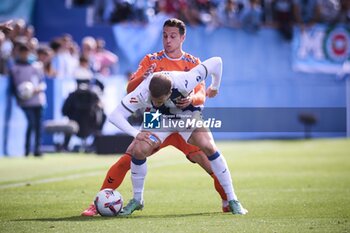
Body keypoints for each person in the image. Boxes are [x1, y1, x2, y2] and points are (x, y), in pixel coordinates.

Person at [81, 18, 228, 216]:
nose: (168, 40)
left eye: (173, 36)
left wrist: (192, 98)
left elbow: (202, 94)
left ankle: (227, 200)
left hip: (183, 119)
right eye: (165, 36)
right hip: (155, 118)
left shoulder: (193, 63)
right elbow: (130, 89)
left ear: (182, 37)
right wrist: (143, 77)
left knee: (209, 162)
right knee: (130, 156)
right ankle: (98, 203)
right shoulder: (151, 60)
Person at [109, 56, 248, 216]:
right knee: (138, 149)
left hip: (185, 115)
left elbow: (217, 62)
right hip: (157, 117)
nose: (157, 101)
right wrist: (136, 134)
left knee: (209, 146)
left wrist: (215, 86)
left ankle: (232, 199)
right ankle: (137, 200)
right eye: (154, 99)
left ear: (169, 92)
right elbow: (115, 116)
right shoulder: (143, 91)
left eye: (160, 100)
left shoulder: (185, 80)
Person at [10, 43, 46, 156]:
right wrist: (21, 96)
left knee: (38, 126)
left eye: (27, 52)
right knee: (31, 124)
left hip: (38, 100)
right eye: (23, 52)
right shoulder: (15, 68)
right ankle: (26, 150)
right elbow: (15, 87)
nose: (25, 54)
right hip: (26, 102)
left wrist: (37, 89)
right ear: (19, 53)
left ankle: (37, 149)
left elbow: (42, 83)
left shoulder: (36, 66)